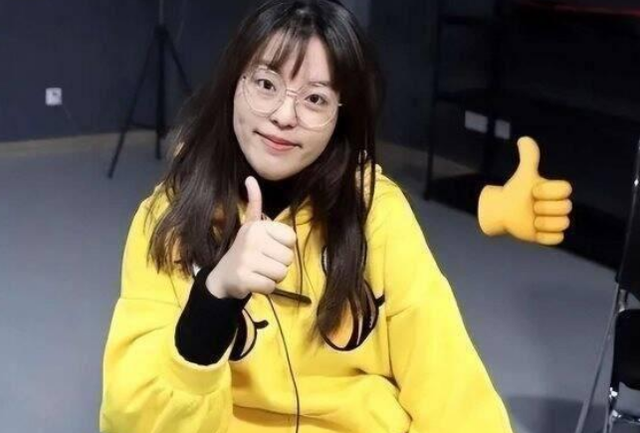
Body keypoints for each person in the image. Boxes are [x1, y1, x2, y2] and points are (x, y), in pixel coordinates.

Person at [99, 1, 571, 432]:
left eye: (315, 99)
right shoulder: (170, 219)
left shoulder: (376, 213)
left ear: (341, 116)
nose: (285, 115)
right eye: (266, 84)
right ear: (233, 87)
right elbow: (132, 419)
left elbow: (448, 382)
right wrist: (215, 295)